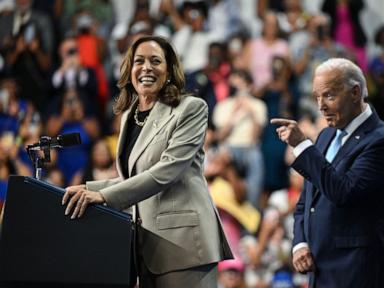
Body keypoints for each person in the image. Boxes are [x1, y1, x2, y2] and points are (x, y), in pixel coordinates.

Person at [62, 35, 233, 287]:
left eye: (156, 61)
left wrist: (104, 196)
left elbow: (166, 172)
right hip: (146, 248)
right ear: (130, 69)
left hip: (185, 246)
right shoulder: (130, 115)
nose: (146, 68)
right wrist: (89, 189)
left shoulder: (191, 108)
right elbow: (132, 178)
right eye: (139, 61)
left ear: (170, 70)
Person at [271, 58, 384, 287]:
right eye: (317, 97)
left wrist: (302, 145)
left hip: (356, 272)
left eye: (329, 96)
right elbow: (306, 201)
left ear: (355, 92)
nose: (320, 106)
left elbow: (343, 191)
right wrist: (300, 243)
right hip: (318, 270)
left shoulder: (379, 140)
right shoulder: (325, 136)